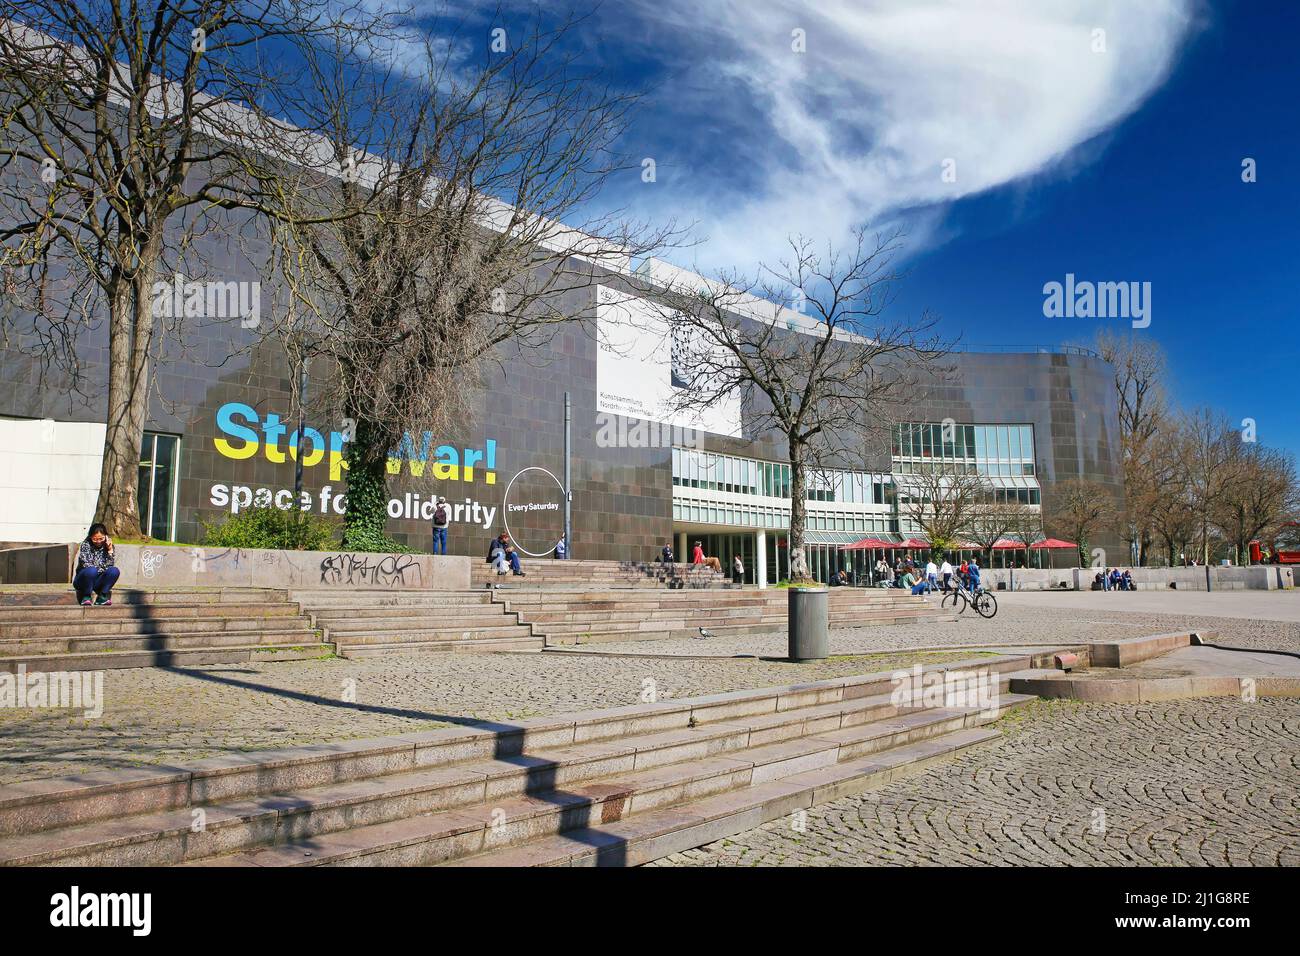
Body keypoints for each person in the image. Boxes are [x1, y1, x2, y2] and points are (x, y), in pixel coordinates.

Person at [74, 522, 120, 606]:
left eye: (101, 538)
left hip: (97, 581)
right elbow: (86, 564)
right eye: (95, 539)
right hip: (83, 580)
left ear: (106, 537)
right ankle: (86, 596)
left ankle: (102, 597)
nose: (98, 542)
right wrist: (102, 568)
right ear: (90, 537)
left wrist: (110, 551)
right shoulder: (85, 545)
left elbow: (110, 566)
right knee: (91, 570)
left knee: (114, 571)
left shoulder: (109, 546)